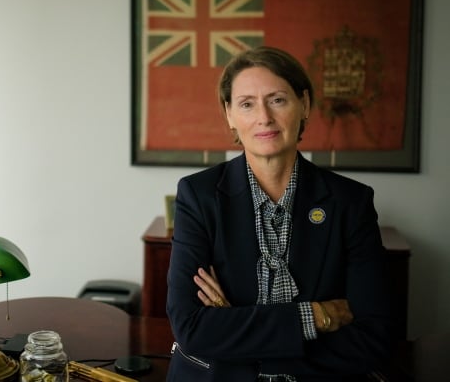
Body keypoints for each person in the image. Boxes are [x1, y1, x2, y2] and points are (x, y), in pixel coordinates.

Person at [166, 46, 396, 381]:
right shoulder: (198, 196)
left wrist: (242, 336)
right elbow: (191, 328)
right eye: (247, 104)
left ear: (303, 104)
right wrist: (316, 316)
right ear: (229, 113)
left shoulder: (351, 201)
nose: (264, 118)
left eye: (277, 99)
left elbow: (376, 335)